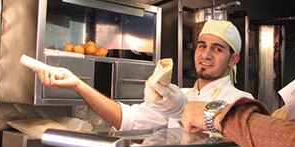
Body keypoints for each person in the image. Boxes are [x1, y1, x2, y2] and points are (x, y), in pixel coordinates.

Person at [33, 19, 253, 131]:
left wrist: (179, 109)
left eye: (217, 49)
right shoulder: (178, 95)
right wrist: (78, 85)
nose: (205, 54)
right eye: (201, 46)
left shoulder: (240, 102)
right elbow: (126, 118)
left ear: (233, 59)